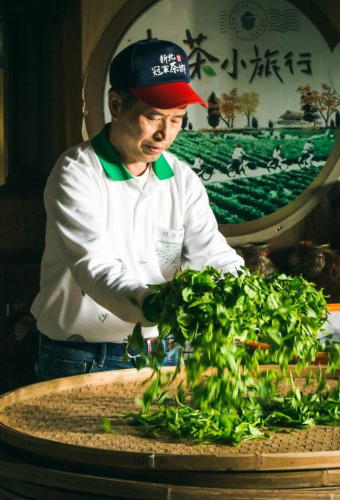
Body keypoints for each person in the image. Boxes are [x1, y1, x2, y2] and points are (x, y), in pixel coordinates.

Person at [31, 38, 245, 381]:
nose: (165, 134)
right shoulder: (77, 172)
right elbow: (95, 267)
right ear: (116, 106)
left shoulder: (181, 178)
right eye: (153, 117)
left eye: (177, 120)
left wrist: (244, 290)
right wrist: (156, 306)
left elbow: (212, 253)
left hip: (163, 350)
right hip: (84, 354)